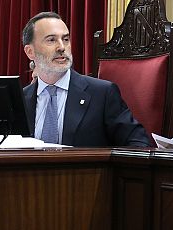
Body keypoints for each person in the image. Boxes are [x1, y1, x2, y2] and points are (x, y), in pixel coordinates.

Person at [21, 11, 151, 147]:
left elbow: (138, 144)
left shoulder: (102, 94)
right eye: (51, 40)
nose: (61, 47)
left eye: (65, 39)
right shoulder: (21, 100)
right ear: (30, 51)